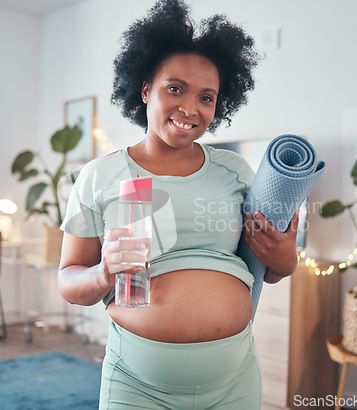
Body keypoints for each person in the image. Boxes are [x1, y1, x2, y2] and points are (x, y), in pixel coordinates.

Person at [58, 0, 299, 408]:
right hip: (136, 384)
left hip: (234, 381)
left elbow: (267, 271)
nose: (190, 109)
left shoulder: (236, 171)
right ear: (145, 89)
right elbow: (68, 281)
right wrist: (104, 271)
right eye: (175, 89)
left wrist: (286, 258)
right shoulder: (101, 176)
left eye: (207, 97)